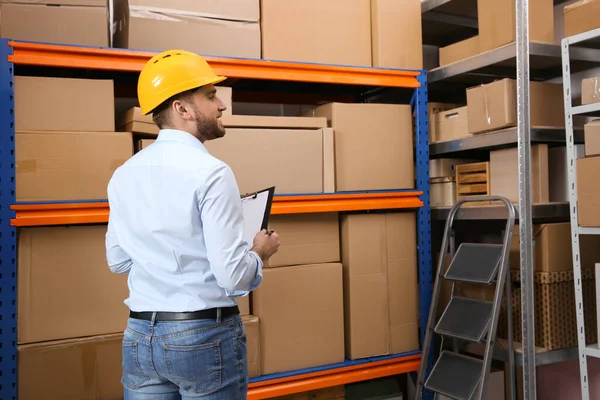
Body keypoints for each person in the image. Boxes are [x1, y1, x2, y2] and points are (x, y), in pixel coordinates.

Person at [105, 49, 280, 400]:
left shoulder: (124, 175)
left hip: (140, 337)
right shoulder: (212, 173)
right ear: (181, 109)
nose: (221, 105)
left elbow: (118, 260)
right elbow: (233, 277)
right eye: (211, 96)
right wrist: (260, 251)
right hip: (202, 336)